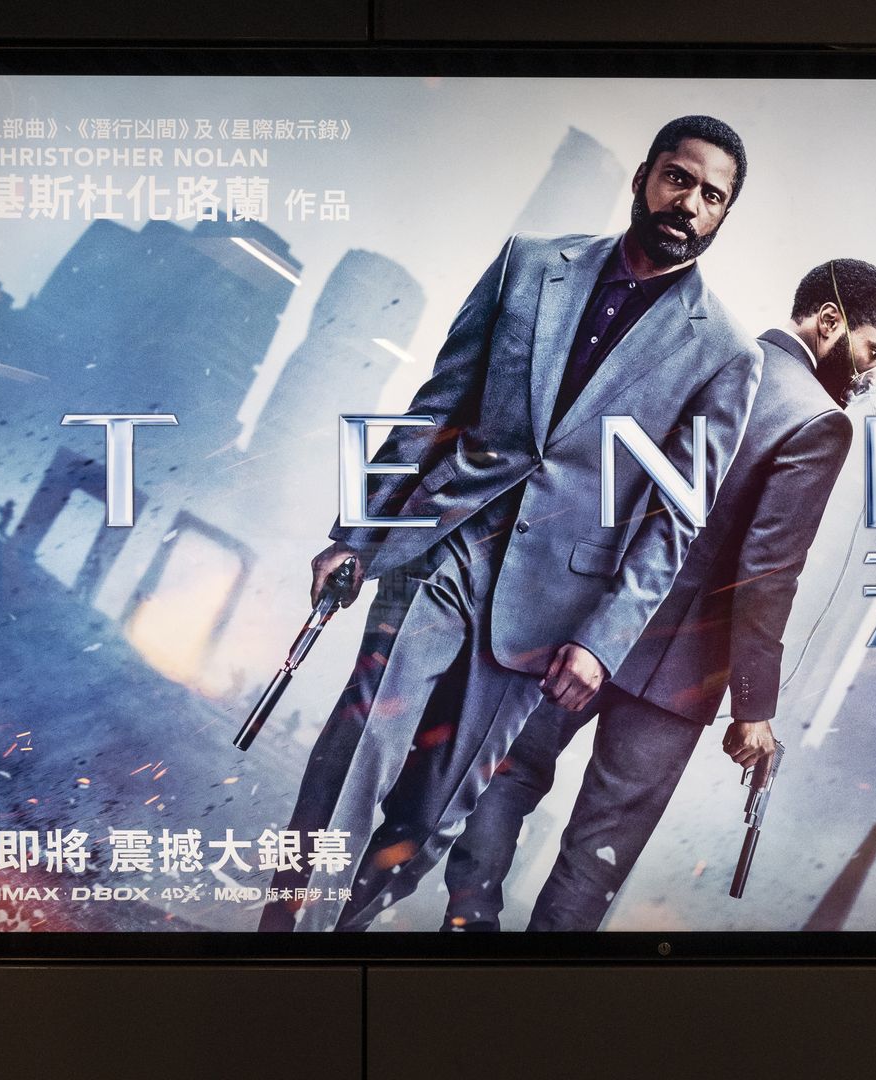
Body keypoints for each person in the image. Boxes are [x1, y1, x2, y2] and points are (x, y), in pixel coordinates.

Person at [259, 115, 764, 932]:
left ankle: (339, 939)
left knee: (430, 820)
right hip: (442, 545)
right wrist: (355, 534)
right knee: (357, 758)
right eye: (679, 178)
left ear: (722, 216)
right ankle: (287, 951)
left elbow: (675, 521)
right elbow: (436, 407)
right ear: (644, 177)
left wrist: (601, 643)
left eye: (712, 195)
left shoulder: (727, 355)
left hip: (551, 614)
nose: (690, 203)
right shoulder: (531, 265)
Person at [440, 258, 876, 931]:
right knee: (595, 857)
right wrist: (753, 708)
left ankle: (469, 930)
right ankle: (538, 995)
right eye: (873, 352)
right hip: (677, 678)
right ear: (830, 321)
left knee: (508, 775)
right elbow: (768, 572)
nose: (870, 374)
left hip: (584, 625)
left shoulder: (710, 357)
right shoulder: (819, 422)